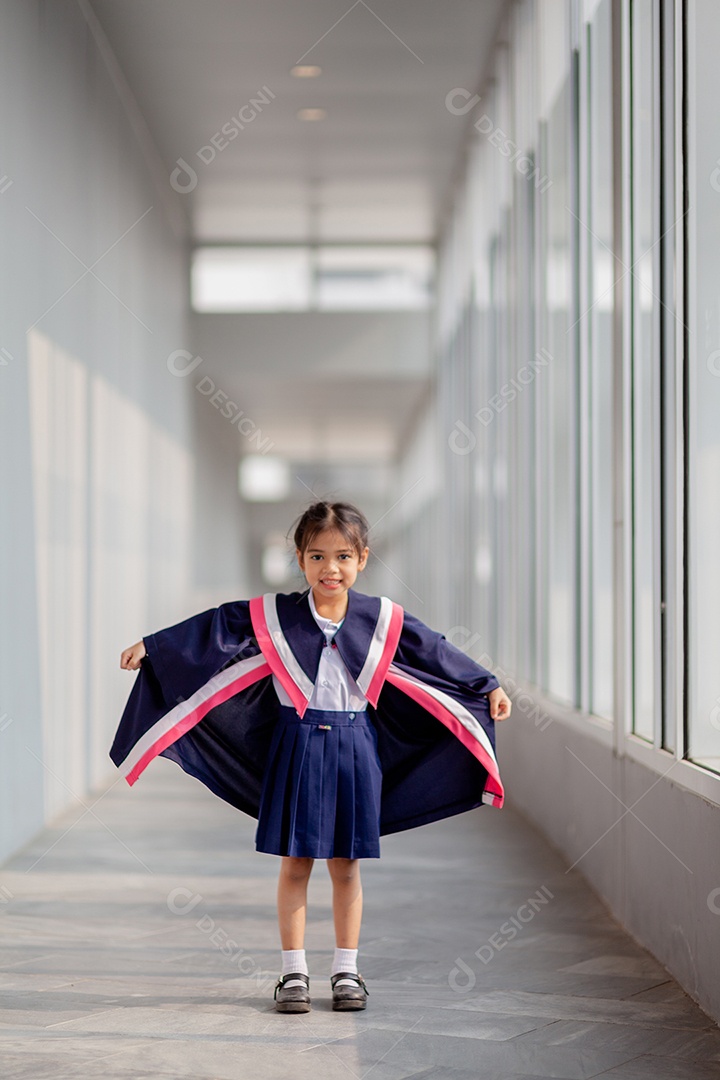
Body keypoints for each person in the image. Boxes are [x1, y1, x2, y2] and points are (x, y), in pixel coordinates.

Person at [114, 500, 512, 1014]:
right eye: (318, 556)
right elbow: (215, 629)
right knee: (296, 862)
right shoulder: (274, 616)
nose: (331, 569)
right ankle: (293, 973)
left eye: (343, 556)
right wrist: (154, 646)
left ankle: (347, 970)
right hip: (296, 746)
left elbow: (434, 651)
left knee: (346, 867)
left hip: (355, 748)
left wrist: (488, 685)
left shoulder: (382, 619)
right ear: (299, 559)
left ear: (363, 558)